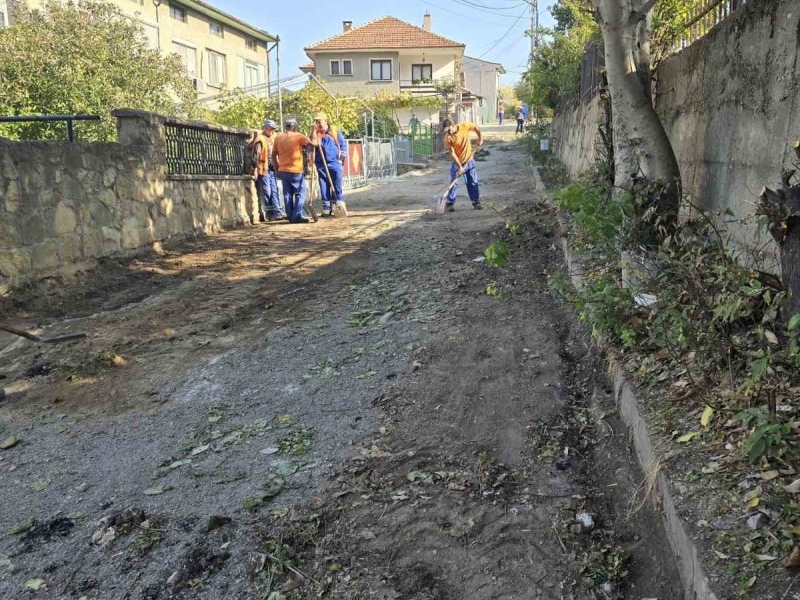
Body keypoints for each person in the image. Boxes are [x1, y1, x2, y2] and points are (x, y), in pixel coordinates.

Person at [272, 119, 312, 224]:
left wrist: (276, 169)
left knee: (287, 194)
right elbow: (311, 144)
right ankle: (296, 216)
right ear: (294, 127)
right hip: (295, 170)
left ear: (286, 126)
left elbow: (273, 154)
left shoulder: (278, 138)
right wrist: (314, 133)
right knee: (300, 193)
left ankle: (290, 216)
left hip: (283, 170)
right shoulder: (299, 136)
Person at [441, 118, 483, 212]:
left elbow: (476, 127)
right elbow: (452, 153)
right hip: (456, 163)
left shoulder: (464, 126)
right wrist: (459, 167)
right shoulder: (447, 138)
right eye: (446, 131)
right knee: (454, 182)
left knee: (472, 181)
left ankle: (475, 202)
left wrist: (480, 138)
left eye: (449, 129)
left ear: (453, 125)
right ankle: (450, 203)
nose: (448, 132)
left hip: (469, 160)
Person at [312, 112, 348, 218]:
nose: (318, 123)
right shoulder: (316, 133)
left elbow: (343, 145)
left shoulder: (334, 131)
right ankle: (326, 209)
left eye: (320, 121)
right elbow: (311, 146)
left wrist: (341, 159)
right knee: (324, 186)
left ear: (325, 121)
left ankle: (338, 205)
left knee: (336, 185)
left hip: (335, 163)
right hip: (321, 164)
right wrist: (313, 132)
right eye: (317, 121)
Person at [251, 120, 284, 222]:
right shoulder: (260, 139)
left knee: (274, 190)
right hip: (263, 169)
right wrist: (255, 169)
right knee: (267, 191)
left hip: (272, 168)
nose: (272, 131)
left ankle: (278, 212)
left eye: (273, 129)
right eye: (270, 129)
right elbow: (256, 155)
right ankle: (270, 213)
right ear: (265, 128)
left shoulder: (273, 138)